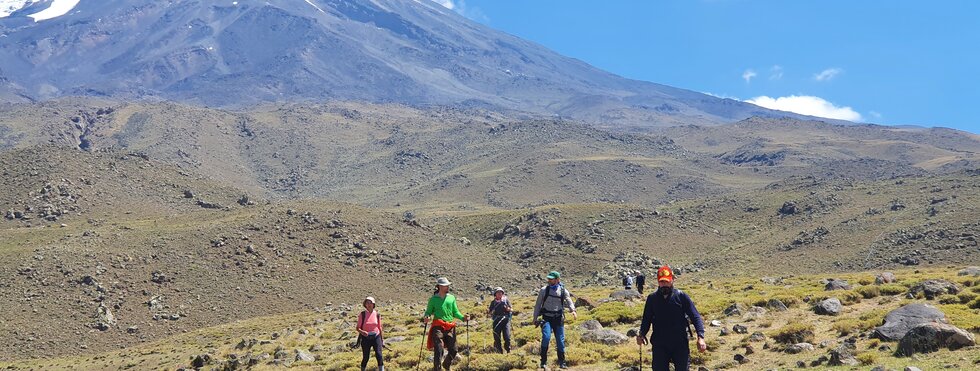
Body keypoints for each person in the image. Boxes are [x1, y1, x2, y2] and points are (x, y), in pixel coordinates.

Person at [636, 265, 707, 371]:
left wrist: (700, 337)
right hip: (659, 343)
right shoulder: (652, 299)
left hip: (680, 343)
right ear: (658, 282)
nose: (664, 284)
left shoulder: (681, 296)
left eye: (667, 281)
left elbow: (695, 316)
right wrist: (641, 334)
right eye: (662, 282)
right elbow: (646, 319)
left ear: (672, 280)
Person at [422, 277, 470, 371]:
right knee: (439, 348)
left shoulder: (451, 298)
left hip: (450, 326)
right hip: (438, 326)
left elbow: (455, 312)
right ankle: (437, 368)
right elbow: (428, 312)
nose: (448, 287)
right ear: (439, 286)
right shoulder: (433, 299)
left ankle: (446, 364)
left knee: (454, 349)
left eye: (448, 285)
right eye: (445, 286)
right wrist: (427, 317)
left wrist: (463, 318)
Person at [532, 271, 577, 369]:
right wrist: (535, 318)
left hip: (558, 318)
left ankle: (562, 362)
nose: (549, 280)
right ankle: (543, 362)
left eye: (551, 279)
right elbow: (538, 305)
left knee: (560, 341)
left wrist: (573, 310)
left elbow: (569, 300)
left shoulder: (563, 290)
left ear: (557, 279)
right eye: (548, 278)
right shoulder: (544, 290)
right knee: (546, 337)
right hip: (546, 318)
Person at [356, 296, 384, 371]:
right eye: (367, 303)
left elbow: (379, 327)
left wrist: (382, 340)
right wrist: (363, 332)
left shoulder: (377, 314)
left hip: (376, 336)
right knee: (366, 357)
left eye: (370, 302)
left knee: (379, 355)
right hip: (365, 338)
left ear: (373, 304)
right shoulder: (362, 314)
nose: (368, 304)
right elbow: (357, 328)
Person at [487, 287, 513, 353]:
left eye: (501, 292)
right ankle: (499, 351)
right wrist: (490, 312)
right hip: (496, 321)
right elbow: (489, 313)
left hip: (505, 321)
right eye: (498, 293)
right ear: (495, 294)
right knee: (497, 337)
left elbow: (511, 309)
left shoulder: (506, 300)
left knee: (507, 336)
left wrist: (508, 309)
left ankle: (508, 349)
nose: (499, 294)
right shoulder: (493, 303)